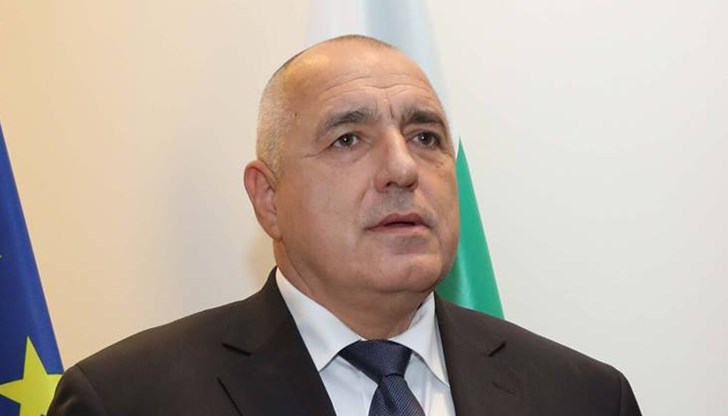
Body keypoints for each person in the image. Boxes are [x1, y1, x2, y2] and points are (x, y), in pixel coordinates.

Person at [48, 35, 641, 416]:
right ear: (268, 198)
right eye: (349, 139)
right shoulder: (125, 400)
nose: (402, 169)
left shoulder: (585, 397)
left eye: (425, 136)